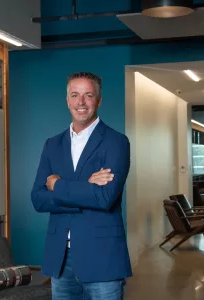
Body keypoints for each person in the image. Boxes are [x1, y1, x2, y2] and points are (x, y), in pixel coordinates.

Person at [31, 72, 132, 299]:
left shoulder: (116, 142)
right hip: (60, 258)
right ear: (67, 100)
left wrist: (58, 186)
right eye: (75, 95)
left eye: (88, 95)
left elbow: (105, 198)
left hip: (103, 257)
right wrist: (85, 187)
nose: (81, 102)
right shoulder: (52, 144)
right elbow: (37, 199)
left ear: (99, 100)